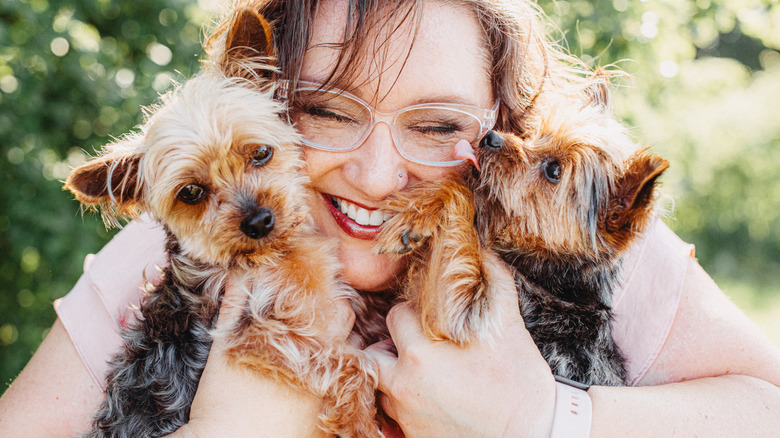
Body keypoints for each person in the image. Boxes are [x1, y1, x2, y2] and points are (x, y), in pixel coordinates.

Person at [2, 0, 779, 436]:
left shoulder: (563, 238)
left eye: (438, 128)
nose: (377, 176)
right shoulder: (182, 248)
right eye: (328, 114)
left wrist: (539, 416)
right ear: (268, 98)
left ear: (502, 123)